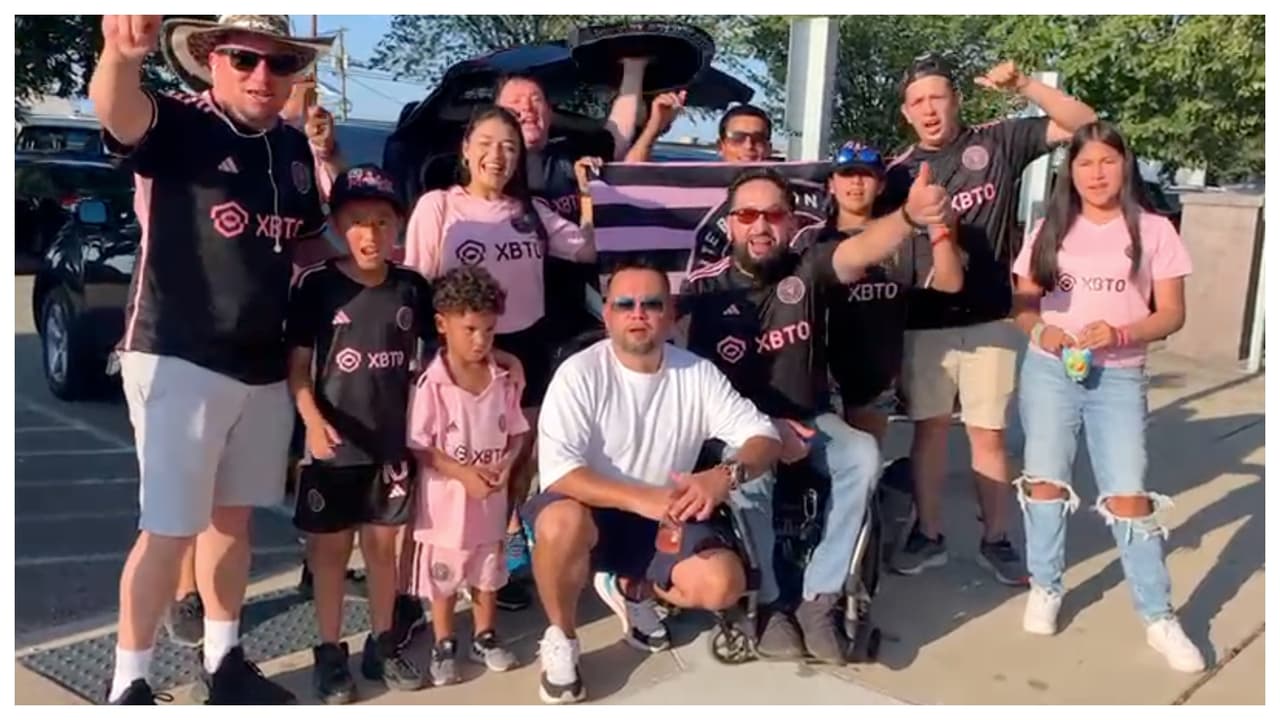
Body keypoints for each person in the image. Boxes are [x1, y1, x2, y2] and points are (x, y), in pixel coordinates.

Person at [91, 14, 332, 704]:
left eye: (279, 63)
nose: (263, 76)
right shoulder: (179, 122)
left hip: (261, 364)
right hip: (177, 353)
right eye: (245, 60)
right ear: (210, 59)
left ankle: (224, 663)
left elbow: (308, 247)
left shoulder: (290, 150)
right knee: (168, 527)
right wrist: (119, 55)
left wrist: (374, 263)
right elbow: (119, 110)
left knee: (233, 521)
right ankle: (128, 685)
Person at [678, 166, 954, 663]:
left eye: (773, 215)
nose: (760, 226)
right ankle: (772, 603)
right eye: (746, 214)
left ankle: (818, 598)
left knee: (863, 456)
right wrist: (766, 434)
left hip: (809, 418)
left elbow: (861, 250)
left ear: (789, 222)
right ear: (730, 223)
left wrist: (911, 216)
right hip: (738, 431)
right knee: (751, 477)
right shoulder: (702, 291)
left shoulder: (807, 266)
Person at [881, 54, 1098, 584]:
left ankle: (996, 538)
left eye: (937, 97)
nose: (929, 109)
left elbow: (1086, 124)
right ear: (906, 113)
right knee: (929, 433)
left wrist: (1024, 84)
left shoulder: (998, 140)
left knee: (989, 435)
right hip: (922, 322)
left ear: (956, 100)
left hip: (991, 319)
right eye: (917, 102)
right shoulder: (896, 170)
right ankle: (928, 532)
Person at [524, 258, 781, 704]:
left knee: (723, 586)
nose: (638, 313)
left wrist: (724, 476)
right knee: (561, 523)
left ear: (670, 313)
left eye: (651, 303)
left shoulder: (695, 373)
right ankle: (562, 638)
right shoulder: (579, 374)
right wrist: (642, 498)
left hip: (665, 514)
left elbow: (764, 436)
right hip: (592, 510)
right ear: (607, 315)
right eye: (625, 304)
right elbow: (561, 473)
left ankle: (631, 587)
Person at [1010, 122, 1204, 672]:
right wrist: (1043, 332)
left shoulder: (1154, 230)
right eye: (1085, 163)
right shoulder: (1050, 228)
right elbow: (1024, 305)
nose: (1096, 174)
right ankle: (1046, 585)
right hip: (1050, 371)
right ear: (1070, 172)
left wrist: (1120, 334)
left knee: (1128, 493)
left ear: (1125, 166)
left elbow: (1171, 313)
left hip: (1118, 376)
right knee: (1045, 481)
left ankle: (1158, 615)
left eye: (1107, 162)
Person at [401, 105, 598, 614]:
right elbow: (417, 286)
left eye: (509, 146)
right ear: (466, 148)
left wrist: (593, 193)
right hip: (460, 358)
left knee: (513, 465)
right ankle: (428, 578)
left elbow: (584, 249)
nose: (498, 155)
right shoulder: (439, 206)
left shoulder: (529, 212)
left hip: (524, 353)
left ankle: (502, 565)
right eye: (487, 142)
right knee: (446, 467)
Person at [286, 164, 433, 703]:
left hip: (390, 450)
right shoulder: (317, 285)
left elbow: (436, 363)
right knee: (329, 555)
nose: (370, 234)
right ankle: (329, 652)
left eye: (381, 221)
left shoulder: (412, 287)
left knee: (381, 551)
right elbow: (298, 369)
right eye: (356, 222)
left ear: (398, 224)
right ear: (336, 224)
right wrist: (312, 419)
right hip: (332, 448)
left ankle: (383, 640)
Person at [792, 141, 964, 444]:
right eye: (847, 174)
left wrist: (941, 230)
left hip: (875, 377)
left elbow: (949, 284)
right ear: (831, 184)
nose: (856, 182)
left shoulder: (903, 236)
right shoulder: (809, 238)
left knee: (867, 461)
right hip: (818, 377)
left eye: (866, 175)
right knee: (820, 467)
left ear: (882, 184)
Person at [405, 266, 527, 686]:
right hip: (446, 511)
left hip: (490, 505)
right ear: (443, 324)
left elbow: (516, 434)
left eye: (489, 331)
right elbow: (420, 445)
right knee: (444, 577)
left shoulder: (503, 380)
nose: (480, 341)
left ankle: (485, 636)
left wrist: (506, 468)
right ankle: (444, 643)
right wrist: (463, 475)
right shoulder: (432, 384)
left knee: (487, 572)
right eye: (471, 329)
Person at [625, 101, 773, 163]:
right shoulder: (697, 180)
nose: (749, 145)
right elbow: (629, 176)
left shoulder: (787, 192)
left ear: (769, 148)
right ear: (720, 146)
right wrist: (654, 127)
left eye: (758, 138)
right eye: (738, 138)